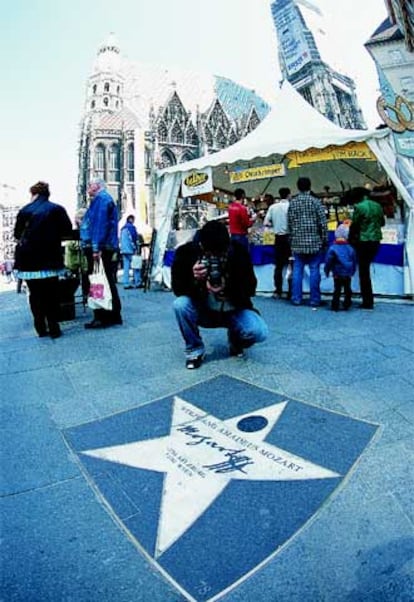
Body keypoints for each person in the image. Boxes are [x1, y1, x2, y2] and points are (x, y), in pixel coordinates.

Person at [171, 220, 268, 369]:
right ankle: (194, 349)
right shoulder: (186, 253)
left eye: (220, 253)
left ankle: (236, 340)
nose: (215, 257)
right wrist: (196, 280)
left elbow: (251, 287)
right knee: (180, 305)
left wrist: (228, 286)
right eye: (210, 254)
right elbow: (177, 289)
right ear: (202, 246)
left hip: (233, 310)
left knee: (258, 331)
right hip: (203, 309)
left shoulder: (238, 251)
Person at [14, 181, 72, 338]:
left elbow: (17, 235)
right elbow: (67, 230)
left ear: (34, 194)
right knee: (51, 293)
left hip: (28, 261)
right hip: (50, 259)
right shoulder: (57, 209)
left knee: (35, 293)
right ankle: (54, 326)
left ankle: (40, 326)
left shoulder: (25, 210)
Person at [80, 178, 123, 328]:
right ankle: (113, 314)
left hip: (100, 247)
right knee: (107, 280)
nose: (88, 188)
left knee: (97, 280)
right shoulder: (104, 199)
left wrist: (95, 248)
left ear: (97, 186)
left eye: (90, 185)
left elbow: (99, 224)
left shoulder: (101, 199)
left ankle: (101, 316)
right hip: (106, 246)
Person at [287, 177, 328, 307]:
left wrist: (291, 240)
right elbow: (323, 223)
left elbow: (289, 224)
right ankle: (315, 299)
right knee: (314, 270)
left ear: (298, 187)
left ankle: (296, 298)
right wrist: (324, 240)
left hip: (297, 243)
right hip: (314, 242)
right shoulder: (316, 202)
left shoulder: (293, 203)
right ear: (310, 186)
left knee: (297, 270)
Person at [349, 186, 385, 310]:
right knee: (366, 268)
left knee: (363, 271)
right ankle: (368, 299)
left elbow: (354, 225)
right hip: (376, 240)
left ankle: (367, 300)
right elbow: (382, 223)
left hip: (364, 240)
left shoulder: (359, 207)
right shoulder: (378, 206)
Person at [264, 188, 292, 299]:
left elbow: (266, 222)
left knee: (278, 266)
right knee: (291, 265)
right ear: (289, 195)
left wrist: (275, 225)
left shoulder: (273, 207)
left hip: (278, 238)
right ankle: (291, 291)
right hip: (289, 238)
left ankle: (278, 290)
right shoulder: (291, 206)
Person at [324, 224, 357, 311]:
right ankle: (347, 303)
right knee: (347, 289)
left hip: (337, 273)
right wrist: (353, 271)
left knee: (337, 289)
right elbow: (354, 260)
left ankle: (335, 305)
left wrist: (326, 270)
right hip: (347, 273)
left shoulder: (332, 248)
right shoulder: (350, 248)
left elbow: (328, 261)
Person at [64, 207, 89, 303]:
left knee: (87, 279)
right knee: (76, 280)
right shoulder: (75, 232)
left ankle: (88, 296)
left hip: (84, 262)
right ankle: (83, 296)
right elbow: (70, 245)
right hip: (74, 262)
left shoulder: (86, 230)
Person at [120, 215, 143, 289]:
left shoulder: (122, 229)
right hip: (131, 250)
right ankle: (137, 282)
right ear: (131, 219)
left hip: (124, 250)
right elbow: (133, 239)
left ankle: (126, 283)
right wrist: (135, 248)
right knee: (136, 266)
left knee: (126, 267)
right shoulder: (131, 228)